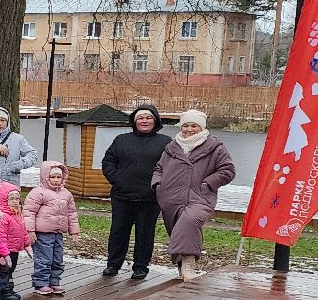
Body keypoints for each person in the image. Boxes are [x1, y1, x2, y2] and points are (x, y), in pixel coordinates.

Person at [155, 109, 235, 282]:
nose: (189, 129)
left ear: (202, 127)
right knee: (177, 230)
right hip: (171, 197)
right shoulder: (171, 147)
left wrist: (208, 183)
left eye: (194, 126)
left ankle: (189, 264)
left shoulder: (215, 147)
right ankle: (181, 267)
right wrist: (158, 185)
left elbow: (228, 171)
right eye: (185, 125)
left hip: (200, 196)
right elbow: (159, 169)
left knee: (189, 221)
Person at [101, 103, 171, 280]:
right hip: (122, 195)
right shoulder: (121, 140)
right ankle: (113, 264)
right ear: (134, 120)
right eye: (141, 117)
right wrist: (117, 179)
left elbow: (172, 168)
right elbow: (108, 162)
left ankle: (140, 267)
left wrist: (160, 186)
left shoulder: (165, 142)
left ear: (155, 121)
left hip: (150, 198)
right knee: (118, 231)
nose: (144, 121)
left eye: (148, 117)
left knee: (145, 233)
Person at [24, 162, 79, 294]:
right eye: (52, 177)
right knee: (44, 259)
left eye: (58, 177)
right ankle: (41, 282)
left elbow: (71, 213)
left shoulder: (66, 194)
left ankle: (54, 281)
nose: (55, 180)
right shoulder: (38, 192)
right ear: (45, 177)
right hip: (43, 233)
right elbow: (29, 212)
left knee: (57, 258)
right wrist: (30, 230)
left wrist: (74, 231)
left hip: (58, 233)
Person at [0, 182, 28, 300]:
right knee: (4, 271)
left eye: (17, 198)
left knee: (11, 269)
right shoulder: (3, 216)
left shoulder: (17, 213)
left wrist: (27, 244)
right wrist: (3, 252)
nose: (15, 201)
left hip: (15, 249)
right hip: (6, 250)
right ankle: (3, 291)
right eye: (12, 199)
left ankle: (9, 289)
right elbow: (1, 236)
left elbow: (23, 231)